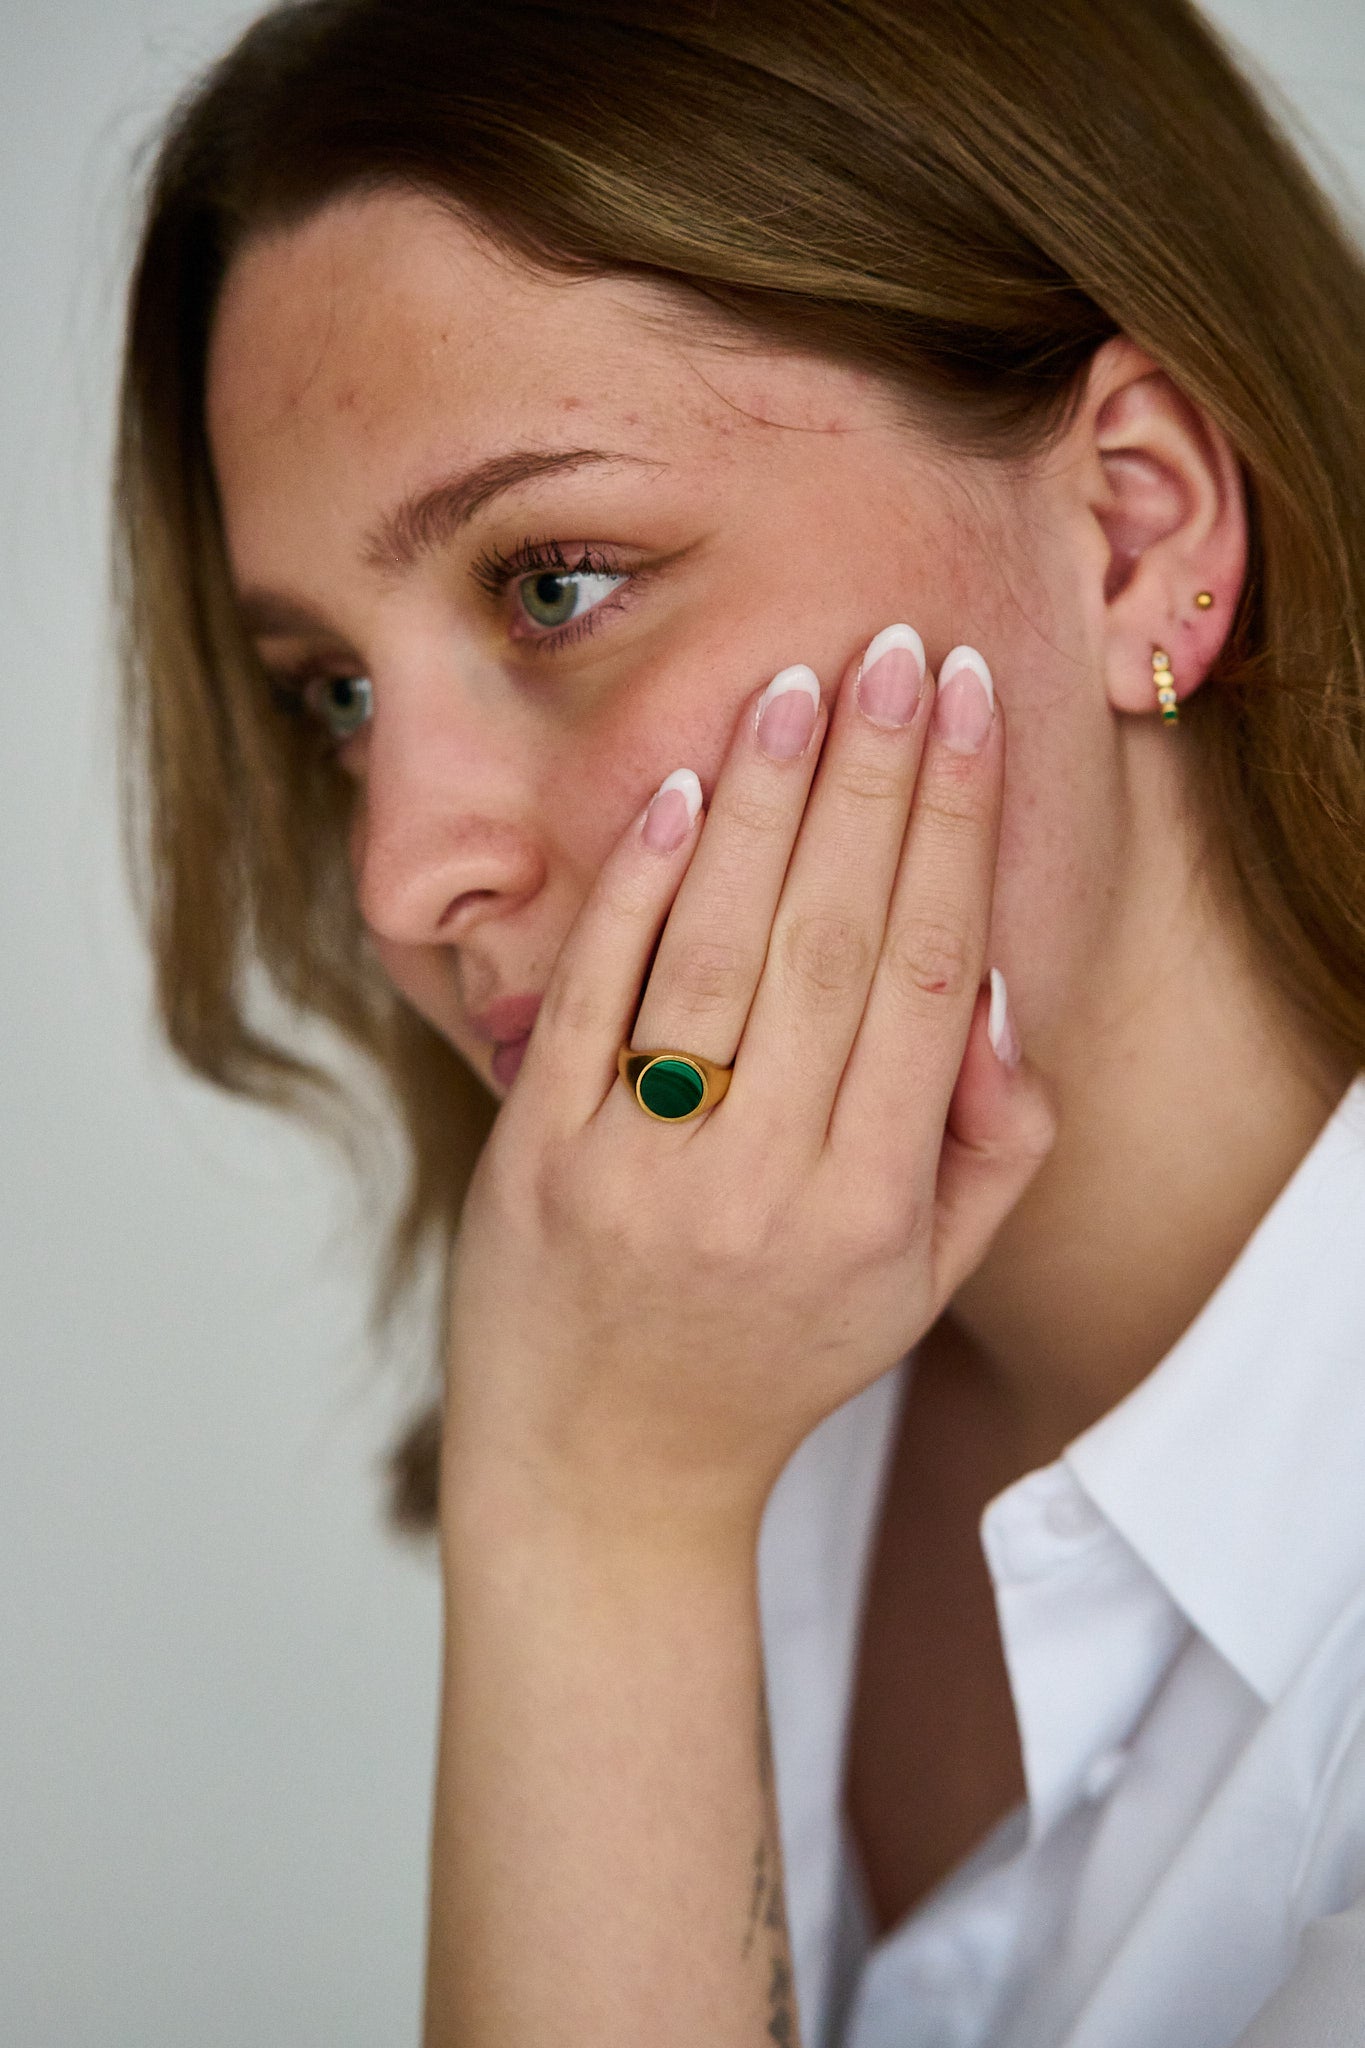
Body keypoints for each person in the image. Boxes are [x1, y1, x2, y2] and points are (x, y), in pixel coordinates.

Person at [113, 1, 1365, 2041]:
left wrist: (598, 1528)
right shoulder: (709, 1344)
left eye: (553, 583)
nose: (399, 873)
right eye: (332, 694)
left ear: (1135, 531)